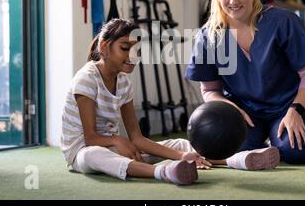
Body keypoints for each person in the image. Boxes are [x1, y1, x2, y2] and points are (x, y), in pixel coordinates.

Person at [185, 0, 305, 165]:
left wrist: (295, 110)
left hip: (289, 105)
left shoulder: (283, 22)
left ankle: (276, 143)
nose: (233, 1)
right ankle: (259, 150)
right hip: (245, 111)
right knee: (222, 148)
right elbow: (210, 90)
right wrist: (230, 109)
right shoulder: (208, 36)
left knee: (296, 152)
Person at [61, 19, 211, 185]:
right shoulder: (86, 79)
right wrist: (117, 140)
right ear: (104, 47)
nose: (132, 55)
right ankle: (163, 172)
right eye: (125, 48)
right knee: (92, 154)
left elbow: (137, 138)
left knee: (180, 144)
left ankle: (231, 160)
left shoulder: (124, 82)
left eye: (137, 50)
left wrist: (182, 156)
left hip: (112, 148)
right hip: (82, 152)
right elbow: (90, 138)